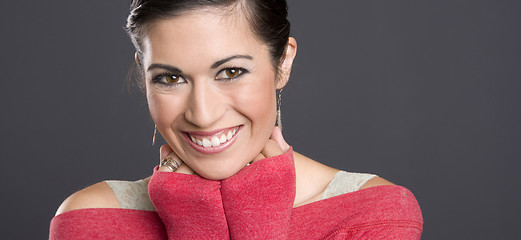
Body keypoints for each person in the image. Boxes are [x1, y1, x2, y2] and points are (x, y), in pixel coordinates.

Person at [50, 0, 423, 239]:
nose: (203, 114)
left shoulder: (375, 216)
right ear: (143, 74)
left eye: (230, 72)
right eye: (170, 78)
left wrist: (256, 221)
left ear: (283, 63)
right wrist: (195, 224)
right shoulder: (91, 220)